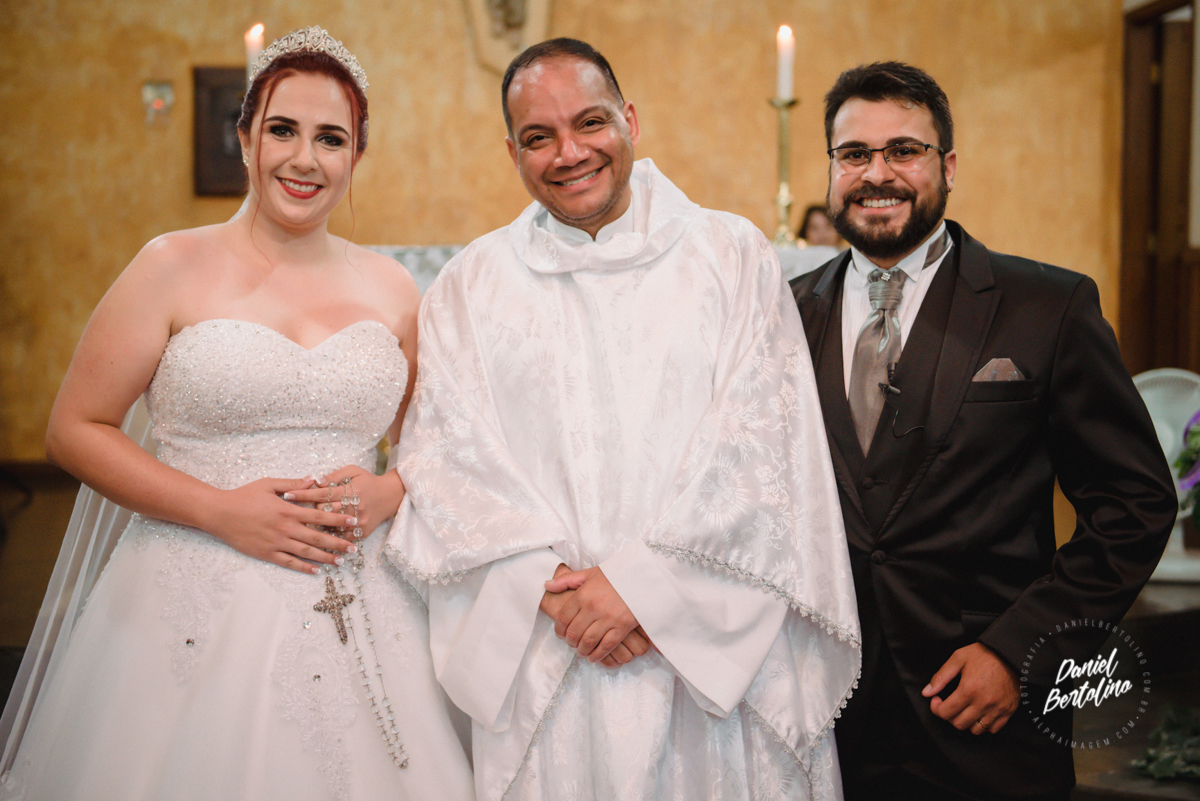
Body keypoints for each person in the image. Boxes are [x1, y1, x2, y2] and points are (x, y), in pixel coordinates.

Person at [0, 27, 474, 801]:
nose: (304, 158)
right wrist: (221, 512)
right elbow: (75, 429)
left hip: (364, 594)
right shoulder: (168, 265)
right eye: (283, 129)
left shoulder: (393, 287)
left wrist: (390, 491)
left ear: (356, 155)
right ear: (246, 137)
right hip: (189, 587)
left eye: (331, 138)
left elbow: (433, 440)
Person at [384, 37, 860, 801]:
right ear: (512, 153)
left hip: (710, 661)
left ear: (630, 120)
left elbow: (766, 442)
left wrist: (645, 590)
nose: (570, 153)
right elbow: (446, 456)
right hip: (552, 647)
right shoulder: (471, 286)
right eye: (539, 137)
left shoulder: (729, 255)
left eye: (590, 122)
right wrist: (554, 589)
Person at [790, 61, 1176, 801]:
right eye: (854, 153)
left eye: (905, 150)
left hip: (985, 711)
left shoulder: (1048, 306)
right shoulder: (784, 314)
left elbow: (1134, 505)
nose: (878, 173)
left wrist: (1022, 651)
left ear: (949, 166)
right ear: (832, 169)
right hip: (825, 715)